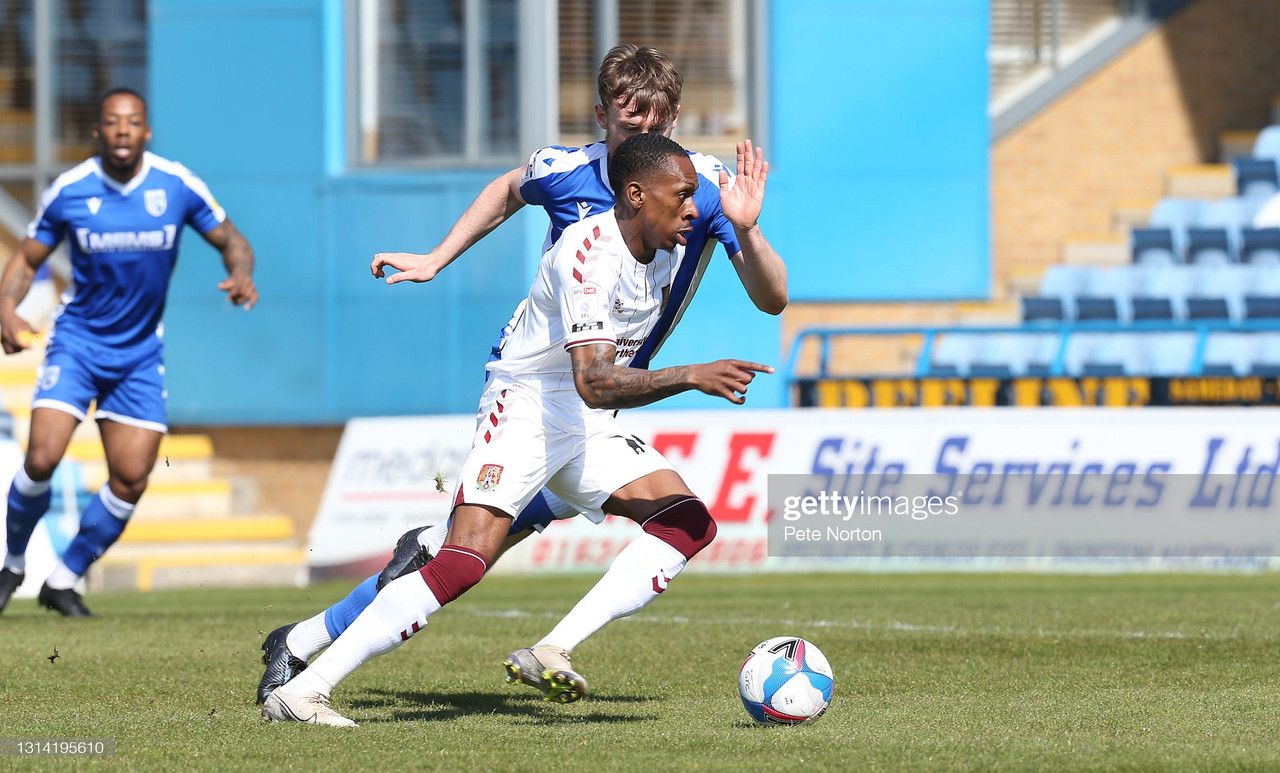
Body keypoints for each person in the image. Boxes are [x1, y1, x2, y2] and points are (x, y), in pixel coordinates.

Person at [255, 44, 786, 705]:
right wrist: (437, 258)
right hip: (540, 399)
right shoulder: (573, 193)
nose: (640, 143)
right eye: (627, 128)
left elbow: (773, 298)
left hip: (596, 407)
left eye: (655, 128)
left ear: (673, 120)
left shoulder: (694, 188)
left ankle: (525, 644)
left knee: (673, 522)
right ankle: (307, 662)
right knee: (462, 556)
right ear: (602, 119)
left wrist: (749, 232)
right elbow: (508, 188)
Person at [0, 87, 258, 618]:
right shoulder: (70, 190)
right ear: (98, 132)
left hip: (139, 355)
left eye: (133, 121)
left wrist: (241, 273)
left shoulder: (176, 184)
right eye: (112, 122)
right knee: (42, 456)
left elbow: (232, 238)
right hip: (77, 344)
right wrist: (6, 307)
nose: (122, 130)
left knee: (132, 477)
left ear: (146, 132)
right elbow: (27, 259)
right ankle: (12, 563)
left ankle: (64, 578)